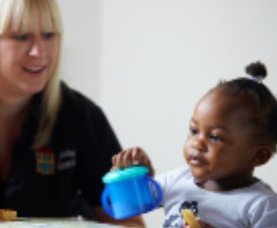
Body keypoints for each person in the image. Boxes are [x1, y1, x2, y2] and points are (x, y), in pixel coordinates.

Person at [0, 0, 139, 225]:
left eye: (49, 35)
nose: (39, 51)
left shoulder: (81, 116)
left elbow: (129, 222)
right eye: (21, 36)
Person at [112, 62, 277, 227]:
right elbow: (126, 206)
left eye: (215, 137)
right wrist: (131, 177)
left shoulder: (262, 205)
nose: (197, 143)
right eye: (194, 130)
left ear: (259, 156)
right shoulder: (177, 181)